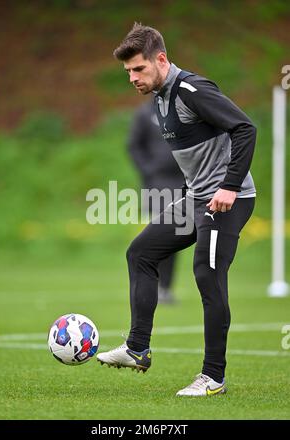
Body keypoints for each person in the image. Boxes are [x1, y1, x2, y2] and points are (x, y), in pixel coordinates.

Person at [97, 23, 256, 397]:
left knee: (207, 274)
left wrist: (229, 186)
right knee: (141, 252)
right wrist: (190, 192)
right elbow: (196, 154)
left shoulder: (192, 90)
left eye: (139, 69)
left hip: (228, 200)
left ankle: (213, 378)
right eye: (128, 72)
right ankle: (137, 348)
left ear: (162, 59)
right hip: (198, 198)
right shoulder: (158, 96)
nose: (133, 78)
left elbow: (245, 128)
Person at [127, 98, 184, 303]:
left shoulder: (181, 111)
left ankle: (166, 288)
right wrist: (148, 170)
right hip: (158, 184)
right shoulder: (144, 113)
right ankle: (153, 286)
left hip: (182, 183)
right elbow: (133, 146)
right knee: (159, 234)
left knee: (176, 237)